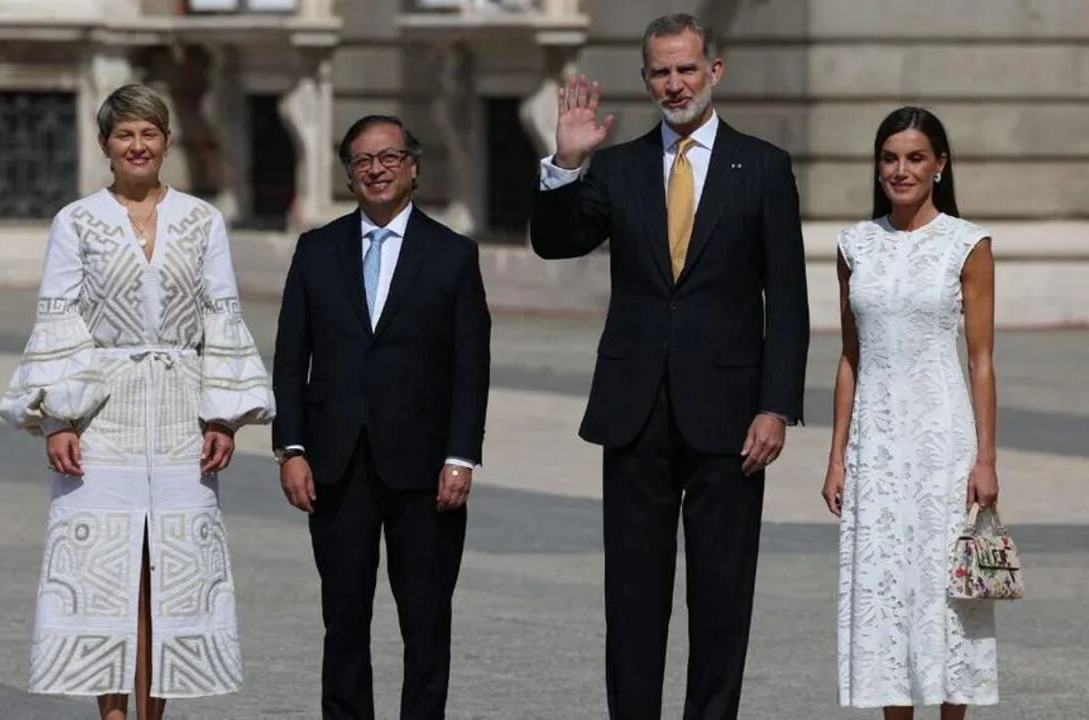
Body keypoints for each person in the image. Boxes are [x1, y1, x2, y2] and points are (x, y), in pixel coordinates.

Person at [528, 13, 810, 719]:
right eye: (661, 71)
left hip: (731, 417)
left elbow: (791, 300)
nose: (675, 83)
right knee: (632, 597)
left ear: (714, 71)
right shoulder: (617, 166)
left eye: (687, 69)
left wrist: (776, 405)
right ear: (645, 77)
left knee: (720, 597)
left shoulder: (764, 167)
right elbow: (556, 243)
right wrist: (566, 164)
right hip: (635, 410)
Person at [0, 83, 274, 720]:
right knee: (105, 574)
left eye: (149, 133)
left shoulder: (202, 220)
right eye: (125, 134)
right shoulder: (77, 220)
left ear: (166, 142)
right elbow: (59, 316)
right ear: (105, 146)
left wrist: (223, 415)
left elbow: (220, 314)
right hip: (102, 416)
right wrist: (58, 420)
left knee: (170, 577)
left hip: (180, 414)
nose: (138, 145)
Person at [272, 114, 491, 720]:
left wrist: (460, 456)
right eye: (362, 161)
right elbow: (291, 359)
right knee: (343, 619)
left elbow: (471, 367)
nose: (376, 170)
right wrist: (290, 448)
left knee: (425, 623)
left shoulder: (453, 255)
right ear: (349, 175)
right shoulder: (316, 250)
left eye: (389, 157)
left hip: (425, 470)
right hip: (335, 464)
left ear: (413, 167)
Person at [823, 106, 999, 718]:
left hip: (943, 441)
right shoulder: (854, 246)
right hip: (876, 444)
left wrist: (986, 458)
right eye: (890, 158)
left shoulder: (967, 244)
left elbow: (980, 360)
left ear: (940, 166)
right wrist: (836, 455)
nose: (901, 170)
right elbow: (850, 357)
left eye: (916, 158)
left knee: (946, 591)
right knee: (886, 591)